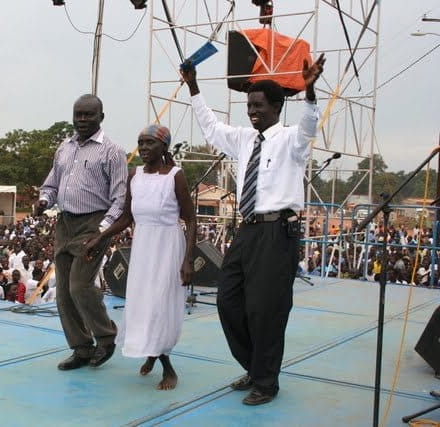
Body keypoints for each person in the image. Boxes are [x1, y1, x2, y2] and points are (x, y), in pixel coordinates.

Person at [181, 53, 326, 405]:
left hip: (277, 231)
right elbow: (211, 128)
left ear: (277, 106)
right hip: (247, 230)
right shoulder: (245, 139)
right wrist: (194, 86)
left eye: (258, 105)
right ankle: (254, 366)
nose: (252, 111)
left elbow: (309, 125)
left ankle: (266, 382)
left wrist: (309, 92)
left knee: (266, 309)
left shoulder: (292, 140)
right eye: (249, 106)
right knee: (228, 301)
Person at [85, 124, 196, 390]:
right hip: (144, 248)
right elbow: (126, 218)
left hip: (168, 248)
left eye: (149, 142)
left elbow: (191, 219)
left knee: (160, 306)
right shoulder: (134, 175)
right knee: (144, 304)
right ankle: (151, 353)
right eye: (141, 142)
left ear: (164, 146)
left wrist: (188, 260)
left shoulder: (176, 176)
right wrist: (100, 237)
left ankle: (167, 366)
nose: (144, 147)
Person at [37, 93, 128, 370]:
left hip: (93, 224)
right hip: (65, 222)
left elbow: (120, 198)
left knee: (80, 285)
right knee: (64, 292)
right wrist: (44, 201)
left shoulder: (112, 151)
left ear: (101, 117)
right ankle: (81, 348)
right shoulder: (64, 148)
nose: (82, 119)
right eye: (78, 114)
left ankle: (106, 337)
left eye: (89, 114)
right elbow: (51, 185)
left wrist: (102, 231)